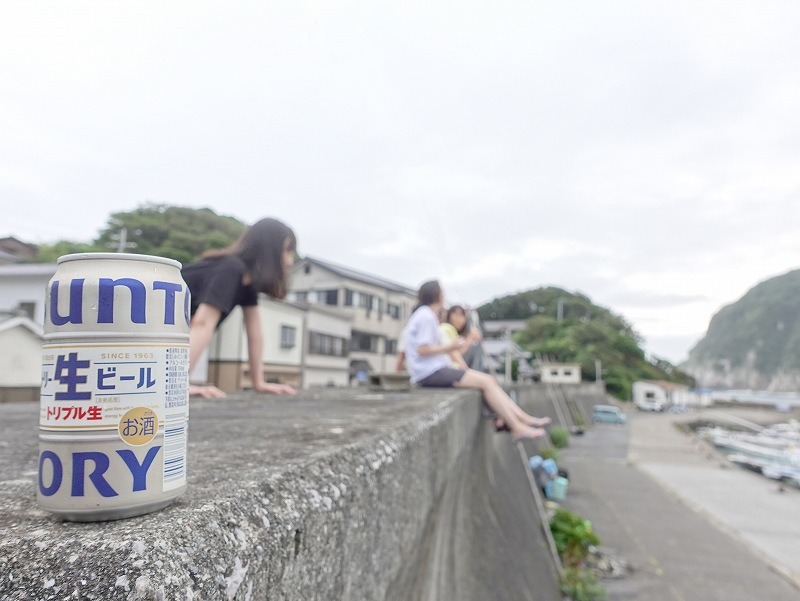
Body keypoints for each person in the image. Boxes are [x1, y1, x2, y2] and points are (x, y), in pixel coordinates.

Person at [404, 280, 550, 441]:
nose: (444, 295)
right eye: (442, 292)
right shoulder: (426, 316)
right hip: (430, 372)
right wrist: (451, 346)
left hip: (432, 370)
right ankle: (518, 426)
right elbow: (422, 349)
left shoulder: (425, 314)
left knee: (488, 381)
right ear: (436, 294)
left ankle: (522, 420)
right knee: (487, 381)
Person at [181, 217, 299, 398]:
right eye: (287, 250)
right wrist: (179, 383)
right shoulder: (231, 269)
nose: (290, 261)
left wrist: (258, 382)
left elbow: (255, 334)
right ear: (270, 250)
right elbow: (202, 323)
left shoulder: (246, 282)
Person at [440, 304, 481, 369]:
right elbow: (455, 354)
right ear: (449, 316)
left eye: (462, 316)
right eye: (456, 315)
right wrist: (470, 338)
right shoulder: (448, 328)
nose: (459, 319)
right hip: (448, 369)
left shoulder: (448, 329)